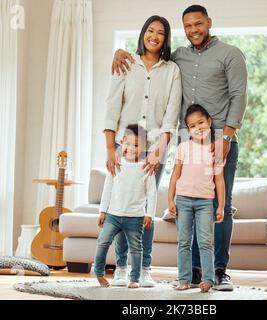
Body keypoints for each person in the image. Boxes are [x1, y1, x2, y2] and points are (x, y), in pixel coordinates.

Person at [112, 5, 248, 291]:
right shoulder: (177, 59)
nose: (194, 30)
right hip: (187, 143)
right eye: (188, 26)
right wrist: (119, 53)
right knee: (189, 204)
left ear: (209, 22)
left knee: (218, 205)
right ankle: (195, 272)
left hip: (219, 140)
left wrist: (226, 136)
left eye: (198, 24)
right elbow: (151, 61)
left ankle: (220, 271)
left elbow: (238, 95)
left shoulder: (231, 54)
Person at [103, 15, 182, 287]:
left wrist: (160, 151)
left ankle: (144, 267)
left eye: (161, 32)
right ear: (143, 33)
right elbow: (112, 109)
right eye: (150, 30)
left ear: (166, 38)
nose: (154, 36)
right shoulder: (126, 63)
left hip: (153, 149)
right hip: (123, 147)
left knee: (144, 209)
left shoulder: (172, 70)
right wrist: (110, 150)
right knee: (121, 207)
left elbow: (172, 115)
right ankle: (122, 267)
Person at [168, 104, 225, 293]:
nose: (198, 127)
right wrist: (170, 200)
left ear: (209, 122)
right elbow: (175, 175)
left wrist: (221, 206)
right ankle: (183, 279)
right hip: (183, 200)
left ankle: (208, 279)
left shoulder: (214, 150)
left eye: (201, 122)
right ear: (188, 130)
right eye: (192, 126)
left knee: (205, 241)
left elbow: (219, 180)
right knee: (184, 241)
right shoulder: (183, 147)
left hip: (205, 203)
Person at [94, 125, 157, 288]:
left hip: (135, 217)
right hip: (113, 215)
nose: (130, 148)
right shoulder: (115, 164)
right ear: (121, 142)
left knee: (136, 248)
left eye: (136, 145)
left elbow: (152, 193)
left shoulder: (146, 168)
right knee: (103, 242)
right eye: (127, 143)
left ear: (144, 148)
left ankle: (135, 279)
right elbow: (107, 188)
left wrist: (149, 214)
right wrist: (103, 210)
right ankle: (101, 273)